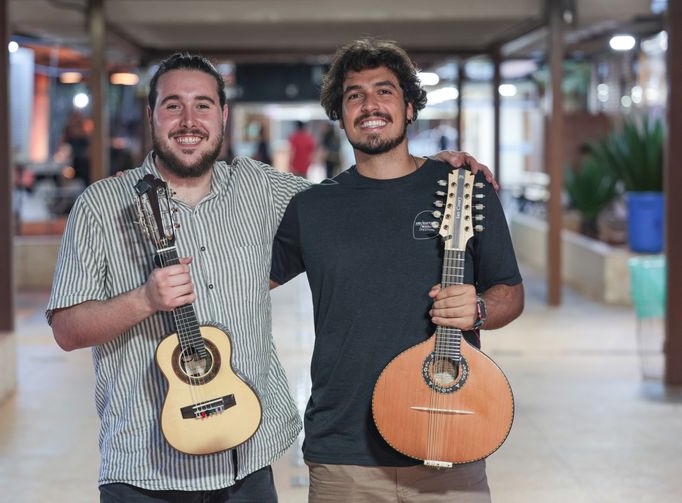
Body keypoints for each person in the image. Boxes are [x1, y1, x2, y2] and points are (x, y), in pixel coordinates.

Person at [47, 51, 495, 502]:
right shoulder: (101, 206)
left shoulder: (261, 188)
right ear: (152, 115)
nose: (188, 119)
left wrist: (423, 172)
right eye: (172, 105)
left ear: (222, 115)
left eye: (202, 104)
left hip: (248, 462)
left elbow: (358, 199)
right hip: (144, 466)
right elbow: (67, 329)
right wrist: (142, 301)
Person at [270, 38, 524, 503]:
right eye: (354, 95)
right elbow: (240, 283)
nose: (369, 104)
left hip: (451, 438)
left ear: (410, 107)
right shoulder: (311, 208)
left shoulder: (465, 189)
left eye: (384, 91)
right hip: (343, 452)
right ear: (339, 113)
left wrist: (481, 308)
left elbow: (510, 291)